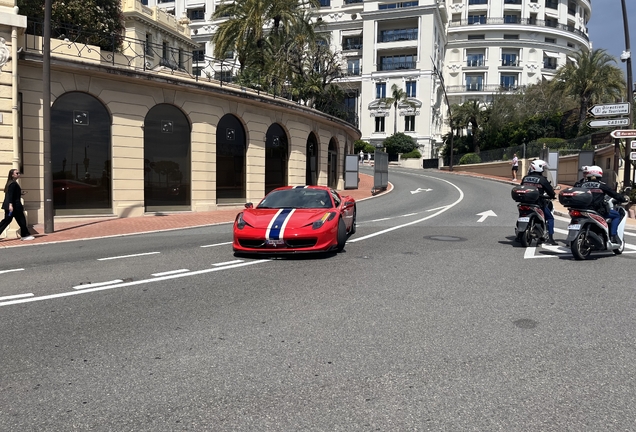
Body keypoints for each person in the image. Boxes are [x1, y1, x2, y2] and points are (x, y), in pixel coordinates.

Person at [574, 165, 628, 244]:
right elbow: (614, 194)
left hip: (583, 209)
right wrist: (623, 199)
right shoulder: (602, 185)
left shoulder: (581, 185)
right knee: (616, 215)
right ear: (599, 175)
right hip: (598, 210)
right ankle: (613, 236)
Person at [521, 159, 557, 245]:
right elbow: (550, 191)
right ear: (539, 168)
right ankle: (551, 238)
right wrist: (552, 195)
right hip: (538, 203)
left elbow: (521, 187)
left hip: (525, 202)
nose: (544, 170)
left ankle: (520, 233)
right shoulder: (542, 179)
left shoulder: (525, 178)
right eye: (543, 168)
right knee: (550, 218)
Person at [0, 169, 34, 241]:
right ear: (12, 175)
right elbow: (10, 195)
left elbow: (12, 194)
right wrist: (10, 205)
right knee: (22, 221)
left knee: (6, 220)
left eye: (19, 173)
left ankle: (25, 235)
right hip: (14, 207)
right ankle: (25, 235)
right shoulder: (13, 184)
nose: (19, 174)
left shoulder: (11, 183)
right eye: (17, 173)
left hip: (12, 206)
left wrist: (20, 193)